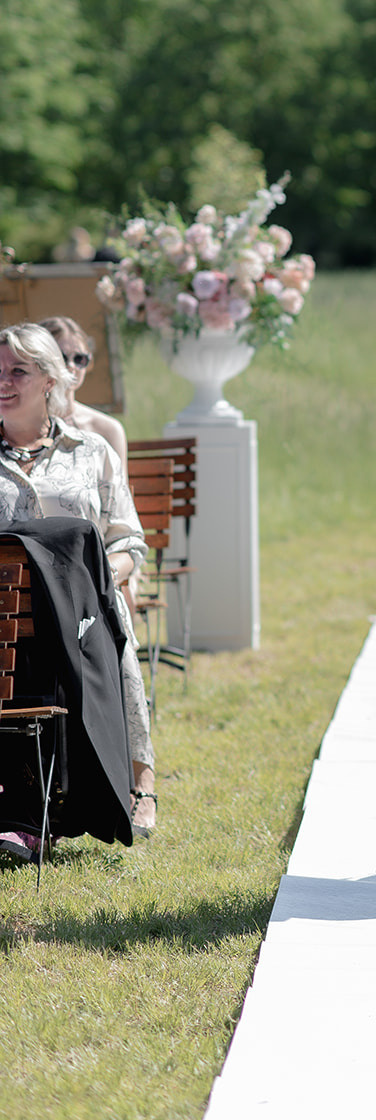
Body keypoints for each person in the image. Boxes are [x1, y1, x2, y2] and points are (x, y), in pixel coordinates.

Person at [0, 323, 157, 850]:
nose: (4, 381)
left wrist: (93, 584)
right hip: (4, 625)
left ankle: (136, 782)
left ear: (49, 379)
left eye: (17, 370)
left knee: (112, 639)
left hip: (85, 617)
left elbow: (129, 539)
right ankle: (24, 812)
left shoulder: (91, 453)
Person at [38, 315, 128, 467]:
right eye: (62, 357)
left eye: (80, 359)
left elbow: (119, 489)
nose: (72, 366)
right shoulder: (15, 429)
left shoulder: (108, 429)